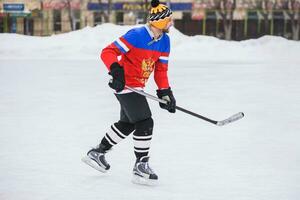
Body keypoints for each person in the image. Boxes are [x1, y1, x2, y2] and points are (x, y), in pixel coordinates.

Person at [82, 0, 176, 185]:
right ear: (158, 21)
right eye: (168, 20)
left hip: (137, 87)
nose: (171, 23)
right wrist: (116, 71)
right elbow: (107, 52)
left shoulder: (165, 41)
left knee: (128, 123)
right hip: (124, 85)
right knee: (144, 121)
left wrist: (165, 92)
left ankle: (97, 153)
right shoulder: (137, 35)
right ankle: (141, 166)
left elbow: (160, 70)